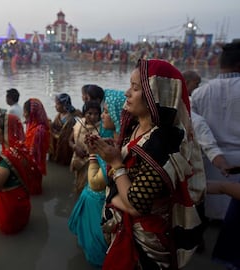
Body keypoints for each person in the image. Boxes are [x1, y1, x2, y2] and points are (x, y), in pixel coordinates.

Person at [88, 59, 205, 269]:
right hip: (125, 227)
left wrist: (116, 163)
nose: (127, 93)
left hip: (146, 239)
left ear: (156, 95)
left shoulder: (164, 141)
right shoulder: (135, 125)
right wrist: (110, 151)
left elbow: (135, 205)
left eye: (135, 88)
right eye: (129, 86)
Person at [191, 41, 240, 269]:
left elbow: (195, 126)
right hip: (236, 163)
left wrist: (214, 153)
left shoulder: (200, 93)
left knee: (207, 207)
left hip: (210, 161)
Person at [68, 89, 125, 267]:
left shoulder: (119, 147)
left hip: (100, 203)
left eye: (106, 111)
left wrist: (93, 154)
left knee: (98, 252)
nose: (102, 115)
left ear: (116, 116)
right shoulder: (110, 138)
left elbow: (96, 182)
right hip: (92, 198)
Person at [0, 113, 39, 234]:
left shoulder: (8, 157)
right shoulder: (22, 149)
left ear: (4, 132)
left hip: (9, 209)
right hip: (21, 203)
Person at [69, 100, 101, 194]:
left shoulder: (101, 129)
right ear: (84, 114)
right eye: (89, 113)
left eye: (96, 114)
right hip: (79, 159)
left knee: (90, 187)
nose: (93, 117)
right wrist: (75, 147)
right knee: (79, 184)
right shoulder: (79, 124)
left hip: (93, 162)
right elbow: (70, 140)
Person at [23, 98, 50, 195]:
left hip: (34, 166)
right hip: (30, 165)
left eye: (25, 112)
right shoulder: (32, 124)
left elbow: (34, 154)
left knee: (33, 190)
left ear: (32, 113)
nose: (23, 114)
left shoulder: (39, 130)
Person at [49, 93, 81, 165]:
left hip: (65, 144)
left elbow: (66, 135)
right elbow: (55, 126)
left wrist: (53, 131)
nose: (55, 106)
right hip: (57, 140)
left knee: (64, 160)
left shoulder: (70, 119)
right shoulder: (59, 115)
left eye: (57, 104)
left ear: (64, 106)